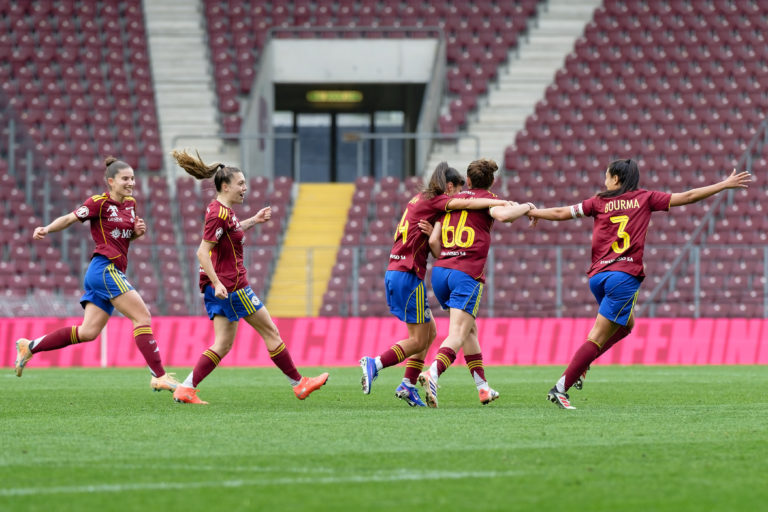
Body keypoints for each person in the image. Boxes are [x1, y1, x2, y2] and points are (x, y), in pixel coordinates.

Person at [526, 159, 751, 409]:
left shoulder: (598, 202)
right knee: (598, 335)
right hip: (623, 276)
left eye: (607, 175)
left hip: (598, 277)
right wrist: (724, 184)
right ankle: (560, 388)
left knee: (626, 324)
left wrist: (534, 213)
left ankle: (581, 365)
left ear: (616, 179)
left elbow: (560, 213)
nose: (604, 180)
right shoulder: (646, 198)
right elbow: (688, 196)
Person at [170, 149, 329, 404]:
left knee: (222, 344)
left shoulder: (223, 211)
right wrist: (218, 283)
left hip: (224, 286)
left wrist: (253, 220)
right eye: (241, 183)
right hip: (233, 286)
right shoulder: (219, 213)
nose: (246, 188)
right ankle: (299, 384)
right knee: (271, 333)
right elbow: (202, 252)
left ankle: (186, 388)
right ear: (225, 186)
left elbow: (230, 231)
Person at [14, 157, 180, 392]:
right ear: (111, 181)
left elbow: (121, 238)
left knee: (88, 332)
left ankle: (29, 346)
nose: (130, 182)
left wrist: (136, 234)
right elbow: (71, 218)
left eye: (132, 178)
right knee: (142, 317)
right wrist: (47, 228)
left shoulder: (131, 203)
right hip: (104, 268)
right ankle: (159, 376)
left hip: (109, 271)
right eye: (125, 179)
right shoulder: (98, 202)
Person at [359, 162, 515, 407]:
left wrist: (433, 230)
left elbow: (433, 238)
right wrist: (499, 202)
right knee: (421, 339)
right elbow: (464, 204)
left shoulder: (417, 199)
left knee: (432, 331)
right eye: (455, 190)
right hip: (409, 273)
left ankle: (410, 386)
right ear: (450, 186)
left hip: (400, 271)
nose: (456, 197)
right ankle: (376, 364)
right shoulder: (438, 201)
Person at [418, 158, 535, 408]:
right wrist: (526, 206)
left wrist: (449, 257)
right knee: (458, 333)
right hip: (466, 273)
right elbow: (504, 216)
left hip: (441, 273)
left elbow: (433, 242)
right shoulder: (489, 200)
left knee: (469, 330)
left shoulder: (453, 201)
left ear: (468, 180)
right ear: (491, 181)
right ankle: (432, 374)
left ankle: (483, 388)